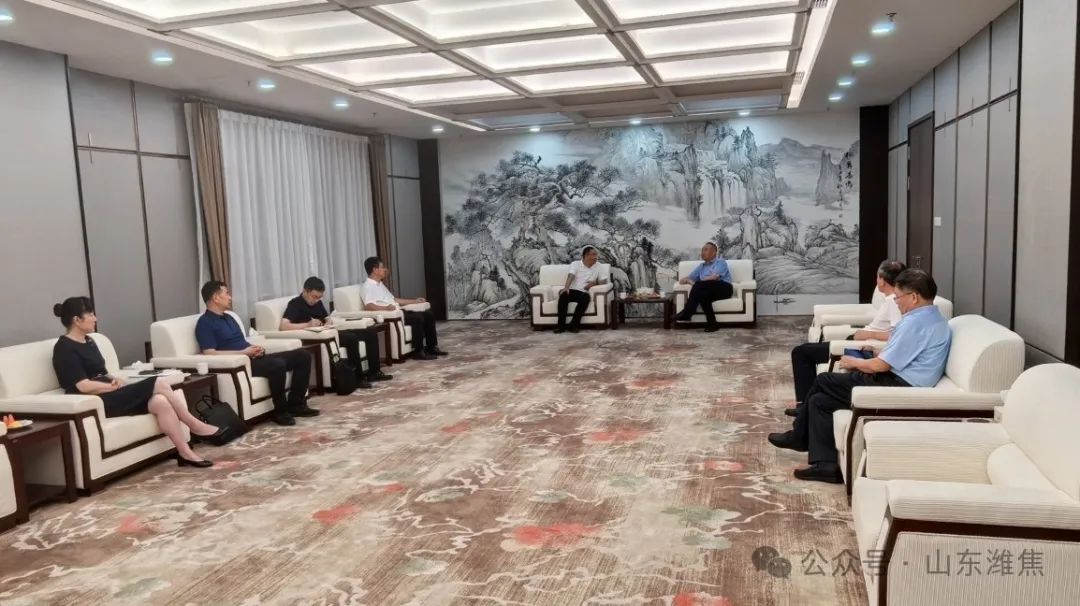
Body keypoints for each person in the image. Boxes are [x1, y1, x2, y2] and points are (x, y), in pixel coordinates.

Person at [768, 269, 952, 483]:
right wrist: (877, 351)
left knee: (824, 380)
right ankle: (825, 465)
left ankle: (798, 436)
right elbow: (908, 353)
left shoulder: (914, 322)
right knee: (820, 401)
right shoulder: (934, 319)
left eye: (898, 297)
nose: (896, 303)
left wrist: (854, 362)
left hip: (898, 385)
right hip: (902, 379)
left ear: (914, 297)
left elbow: (880, 367)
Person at [51, 297, 222, 468]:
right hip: (97, 401)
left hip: (111, 392)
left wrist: (114, 379)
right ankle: (193, 424)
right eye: (90, 314)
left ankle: (185, 453)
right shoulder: (64, 348)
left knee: (160, 402)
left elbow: (101, 372)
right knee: (159, 382)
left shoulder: (89, 340)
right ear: (76, 320)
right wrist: (108, 387)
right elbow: (82, 385)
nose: (95, 318)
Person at [785, 260, 906, 418]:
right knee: (805, 351)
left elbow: (896, 334)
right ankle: (805, 406)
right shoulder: (892, 299)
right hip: (857, 341)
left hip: (860, 346)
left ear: (882, 280)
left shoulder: (894, 302)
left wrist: (869, 335)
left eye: (877, 276)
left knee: (801, 352)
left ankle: (803, 407)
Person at [196, 281, 316, 426]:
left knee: (302, 356)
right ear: (216, 297)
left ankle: (297, 405)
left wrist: (255, 349)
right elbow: (209, 353)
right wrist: (243, 353)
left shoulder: (230, 317)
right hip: (241, 364)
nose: (230, 297)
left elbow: (241, 342)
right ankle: (280, 412)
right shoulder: (205, 323)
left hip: (252, 357)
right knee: (277, 365)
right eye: (226, 293)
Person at [280, 276, 393, 389]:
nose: (316, 300)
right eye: (314, 297)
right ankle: (357, 379)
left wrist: (328, 321)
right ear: (305, 291)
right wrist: (307, 325)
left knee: (370, 331)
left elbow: (327, 317)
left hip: (329, 331)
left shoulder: (317, 303)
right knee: (351, 338)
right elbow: (283, 326)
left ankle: (374, 372)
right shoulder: (295, 304)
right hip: (319, 337)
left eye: (319, 297)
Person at [362, 257, 447, 361]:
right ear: (375, 270)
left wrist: (415, 301)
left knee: (428, 314)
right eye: (382, 267)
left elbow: (395, 300)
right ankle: (418, 351)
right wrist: (386, 308)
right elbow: (369, 306)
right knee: (417, 318)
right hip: (392, 316)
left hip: (399, 311)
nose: (385, 269)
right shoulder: (367, 286)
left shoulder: (380, 284)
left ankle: (431, 347)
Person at [674, 242, 733, 332]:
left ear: (714, 252)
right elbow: (685, 279)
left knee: (699, 286)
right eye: (702, 250)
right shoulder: (701, 266)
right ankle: (713, 324)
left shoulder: (720, 262)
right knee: (703, 296)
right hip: (709, 290)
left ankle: (688, 312)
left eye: (706, 250)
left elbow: (714, 278)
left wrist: (694, 283)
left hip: (725, 288)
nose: (702, 252)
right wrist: (687, 280)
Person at [555, 246, 606, 334]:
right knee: (563, 295)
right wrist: (566, 287)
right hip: (573, 290)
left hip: (584, 292)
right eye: (593, 254)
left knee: (585, 298)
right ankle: (560, 326)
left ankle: (573, 325)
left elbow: (604, 280)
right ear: (586, 255)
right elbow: (571, 275)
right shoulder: (576, 264)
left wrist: (595, 283)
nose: (596, 257)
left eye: (596, 255)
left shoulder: (599, 266)